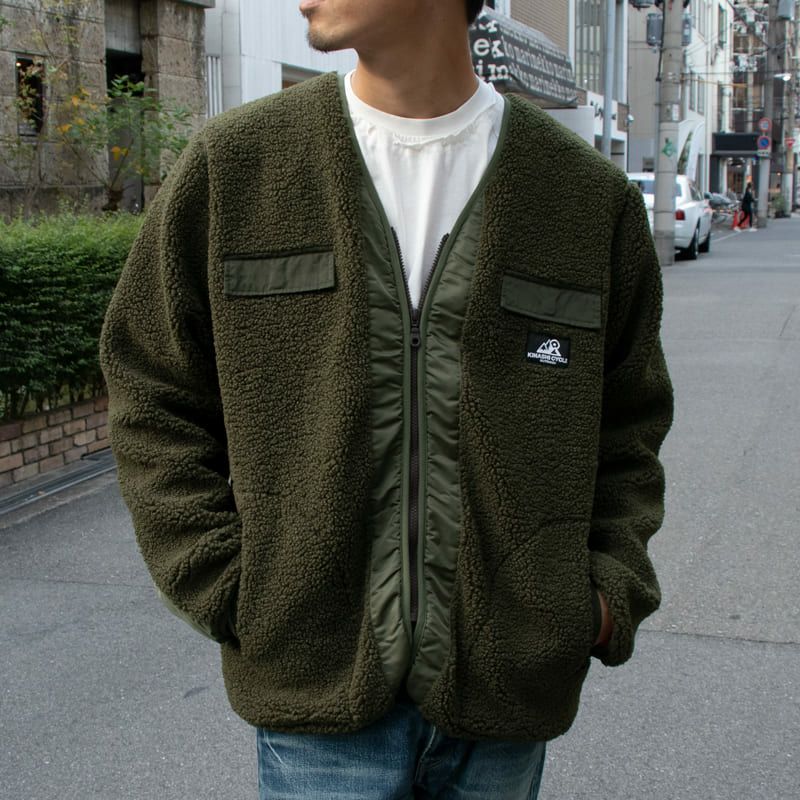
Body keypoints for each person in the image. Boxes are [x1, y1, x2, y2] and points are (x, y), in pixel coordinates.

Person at [98, 1, 674, 797]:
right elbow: (150, 384)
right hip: (316, 696)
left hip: (506, 694)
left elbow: (630, 425)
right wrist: (230, 586)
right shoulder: (238, 168)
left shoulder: (580, 197)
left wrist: (597, 599)